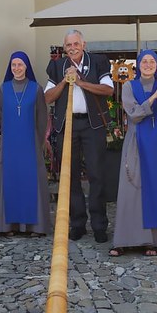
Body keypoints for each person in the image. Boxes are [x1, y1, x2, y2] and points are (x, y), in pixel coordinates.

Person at [110, 50, 157, 257]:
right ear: (138, 65)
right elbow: (134, 115)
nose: (149, 64)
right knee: (132, 187)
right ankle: (126, 239)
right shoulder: (128, 87)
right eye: (145, 61)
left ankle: (156, 241)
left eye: (152, 61)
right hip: (136, 142)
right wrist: (154, 97)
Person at [44, 29, 114, 243]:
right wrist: (65, 82)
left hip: (93, 125)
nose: (72, 48)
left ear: (83, 44)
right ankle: (77, 224)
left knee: (96, 175)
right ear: (64, 48)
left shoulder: (98, 62)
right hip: (67, 125)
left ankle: (99, 225)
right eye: (68, 45)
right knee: (70, 176)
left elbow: (108, 90)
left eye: (75, 43)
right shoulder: (56, 67)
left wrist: (81, 83)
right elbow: (47, 97)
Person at [0, 52, 50, 236]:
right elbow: (1, 117)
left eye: (20, 65)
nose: (17, 68)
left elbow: (42, 119)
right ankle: (8, 226)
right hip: (9, 143)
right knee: (9, 181)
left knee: (30, 181)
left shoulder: (36, 89)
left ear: (27, 67)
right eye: (13, 65)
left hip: (30, 143)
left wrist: (39, 142)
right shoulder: (3, 89)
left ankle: (34, 226)